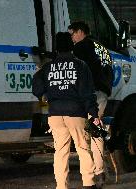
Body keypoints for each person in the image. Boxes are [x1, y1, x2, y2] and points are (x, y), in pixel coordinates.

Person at [32, 32, 102, 189]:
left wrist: (44, 95)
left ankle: (62, 186)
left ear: (57, 48)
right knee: (83, 149)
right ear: (71, 46)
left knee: (60, 152)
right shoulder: (80, 65)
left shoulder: (48, 67)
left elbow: (36, 83)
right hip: (76, 113)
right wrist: (94, 114)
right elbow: (87, 93)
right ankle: (89, 183)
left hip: (55, 114)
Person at [68, 21, 113, 188]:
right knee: (96, 129)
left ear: (80, 32)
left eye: (72, 33)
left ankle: (94, 173)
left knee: (87, 134)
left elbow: (76, 70)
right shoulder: (102, 48)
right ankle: (100, 170)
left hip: (90, 94)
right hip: (102, 93)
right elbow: (108, 70)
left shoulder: (81, 47)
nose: (71, 38)